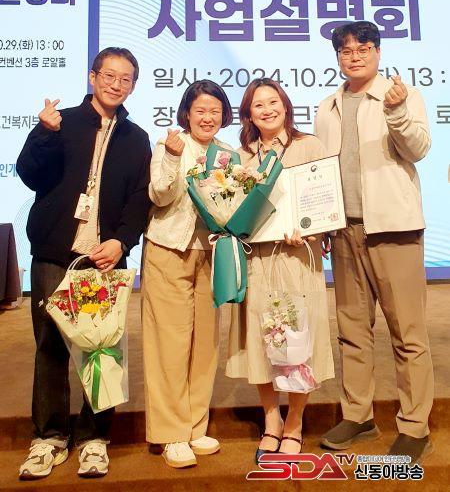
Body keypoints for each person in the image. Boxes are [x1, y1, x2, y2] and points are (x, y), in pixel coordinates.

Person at [16, 47, 152, 479]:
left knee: (102, 349)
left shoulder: (136, 138)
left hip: (103, 260)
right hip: (55, 254)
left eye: (125, 78)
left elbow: (139, 200)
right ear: (93, 77)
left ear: (133, 85)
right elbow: (29, 174)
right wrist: (43, 133)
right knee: (50, 347)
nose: (116, 84)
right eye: (109, 75)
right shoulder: (62, 123)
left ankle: (94, 438)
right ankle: (50, 437)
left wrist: (121, 241)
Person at [314, 21, 433, 464]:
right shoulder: (327, 107)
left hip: (394, 230)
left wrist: (397, 113)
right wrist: (324, 223)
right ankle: (358, 416)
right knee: (352, 332)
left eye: (363, 48)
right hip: (344, 231)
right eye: (346, 50)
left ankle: (415, 426)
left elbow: (418, 149)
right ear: (338, 58)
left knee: (408, 334)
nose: (355, 56)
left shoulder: (400, 95)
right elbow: (322, 171)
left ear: (378, 52)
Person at [226, 78, 334, 462]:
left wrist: (311, 229)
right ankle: (271, 419)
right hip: (256, 259)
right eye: (258, 105)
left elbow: (325, 201)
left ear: (286, 106)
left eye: (273, 102)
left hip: (298, 258)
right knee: (262, 339)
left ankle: (295, 422)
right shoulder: (241, 157)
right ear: (249, 114)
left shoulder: (310, 146)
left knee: (299, 338)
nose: (267, 109)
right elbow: (232, 211)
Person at [141, 80, 233, 468]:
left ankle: (195, 425)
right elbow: (160, 196)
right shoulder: (170, 145)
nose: (207, 117)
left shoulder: (228, 154)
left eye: (215, 111)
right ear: (187, 114)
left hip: (211, 254)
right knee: (169, 342)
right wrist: (173, 158)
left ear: (223, 115)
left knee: (205, 343)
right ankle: (171, 433)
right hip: (169, 250)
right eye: (200, 111)